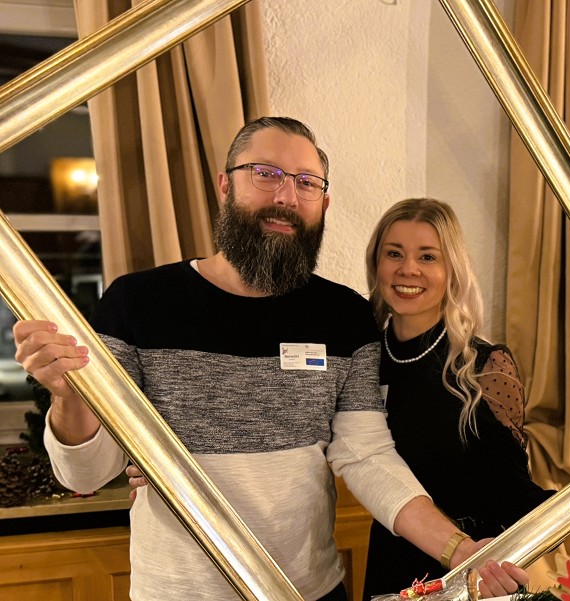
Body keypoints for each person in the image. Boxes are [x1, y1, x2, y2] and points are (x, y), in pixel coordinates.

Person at [13, 118, 528, 601]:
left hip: (309, 590)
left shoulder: (344, 317)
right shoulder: (136, 303)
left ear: (323, 204)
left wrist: (461, 551)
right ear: (225, 185)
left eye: (306, 182)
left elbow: (367, 456)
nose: (286, 196)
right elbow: (86, 475)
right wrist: (67, 395)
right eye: (266, 174)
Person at [361, 198, 570, 600]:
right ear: (376, 263)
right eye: (394, 253)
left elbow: (512, 490)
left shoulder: (485, 367)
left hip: (479, 569)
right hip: (390, 563)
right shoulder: (361, 361)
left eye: (428, 256)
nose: (408, 269)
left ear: (452, 270)